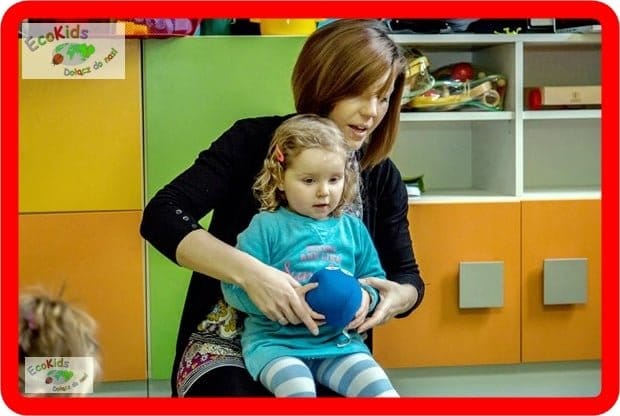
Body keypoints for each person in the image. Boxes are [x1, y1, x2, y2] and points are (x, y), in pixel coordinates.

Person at [140, 18, 425, 397]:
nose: (372, 112)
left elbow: (407, 276)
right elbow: (162, 214)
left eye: (384, 97)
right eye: (359, 93)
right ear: (323, 84)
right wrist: (252, 274)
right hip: (226, 341)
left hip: (329, 345)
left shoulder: (381, 176)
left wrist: (394, 298)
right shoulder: (251, 141)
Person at [221, 114, 399, 397]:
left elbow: (373, 279)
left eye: (334, 179)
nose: (323, 192)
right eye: (308, 180)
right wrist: (279, 303)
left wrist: (366, 298)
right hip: (277, 346)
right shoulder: (266, 227)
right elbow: (232, 287)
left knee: (384, 396)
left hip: (340, 346)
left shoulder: (352, 228)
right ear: (280, 178)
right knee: (299, 393)